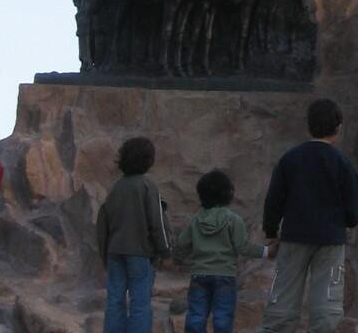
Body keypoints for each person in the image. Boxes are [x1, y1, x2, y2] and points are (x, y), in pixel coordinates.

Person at [261, 97, 358, 333]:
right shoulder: (341, 163)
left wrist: (271, 232)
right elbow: (356, 202)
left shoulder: (290, 159)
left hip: (294, 236)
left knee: (283, 297)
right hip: (330, 238)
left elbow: (274, 199)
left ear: (308, 125)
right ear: (338, 127)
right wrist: (346, 221)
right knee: (327, 302)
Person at [174, 168, 267, 333]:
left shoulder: (195, 220)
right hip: (225, 275)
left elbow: (182, 244)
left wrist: (176, 260)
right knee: (222, 317)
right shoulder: (234, 220)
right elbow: (243, 247)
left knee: (196, 315)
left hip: (199, 275)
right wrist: (265, 251)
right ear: (228, 194)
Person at [96, 135, 171, 333]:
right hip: (140, 253)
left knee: (115, 299)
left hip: (114, 253)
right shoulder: (148, 187)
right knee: (140, 300)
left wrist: (105, 255)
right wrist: (165, 251)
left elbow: (102, 224)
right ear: (148, 160)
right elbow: (158, 224)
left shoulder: (115, 189)